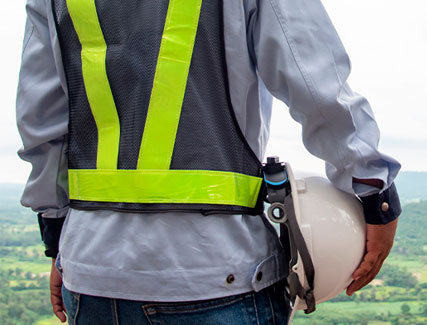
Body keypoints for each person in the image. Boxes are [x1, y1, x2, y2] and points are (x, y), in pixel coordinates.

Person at [16, 0, 401, 323]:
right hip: (218, 274)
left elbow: (41, 122)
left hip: (91, 275)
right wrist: (373, 189)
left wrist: (60, 238)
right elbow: (315, 81)